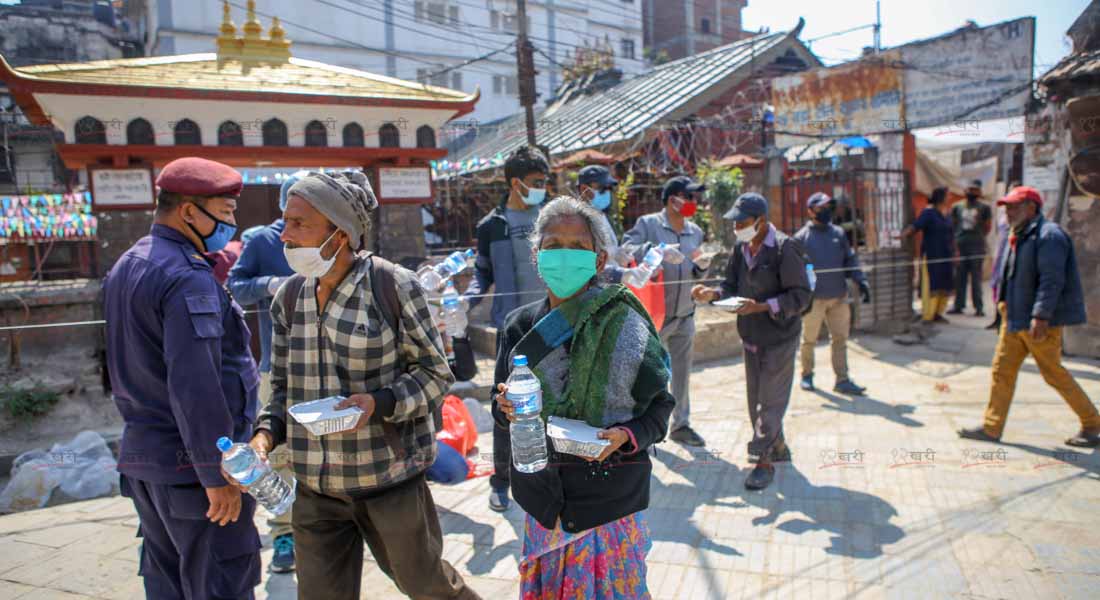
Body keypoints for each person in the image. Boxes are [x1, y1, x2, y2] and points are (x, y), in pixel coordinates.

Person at [248, 171, 479, 600]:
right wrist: (264, 437)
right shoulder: (289, 298)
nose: (286, 236)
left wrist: (379, 403)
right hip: (316, 487)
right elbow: (281, 386)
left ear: (339, 234)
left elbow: (434, 373)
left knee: (428, 587)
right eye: (285, 223)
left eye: (300, 224)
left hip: (388, 479)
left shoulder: (392, 285)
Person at [492, 196, 674, 599]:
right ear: (537, 256)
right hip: (543, 500)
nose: (564, 256)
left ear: (598, 259)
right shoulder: (519, 325)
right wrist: (505, 407)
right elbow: (500, 407)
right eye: (553, 246)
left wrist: (627, 435)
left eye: (577, 247)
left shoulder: (623, 319)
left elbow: (661, 407)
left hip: (611, 501)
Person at [103, 157, 261, 599]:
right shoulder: (186, 276)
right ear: (190, 211)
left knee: (170, 585)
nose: (232, 223)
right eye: (226, 213)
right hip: (192, 471)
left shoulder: (129, 263)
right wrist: (217, 475)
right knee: (220, 583)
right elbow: (197, 385)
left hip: (147, 459)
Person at [958, 186, 1100, 447]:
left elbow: (1051, 279)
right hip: (1013, 318)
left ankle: (1093, 424)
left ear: (1031, 208)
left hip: (1037, 322)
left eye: (1014, 207)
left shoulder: (1049, 235)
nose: (1008, 212)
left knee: (1053, 373)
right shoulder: (1020, 233)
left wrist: (1041, 315)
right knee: (1002, 371)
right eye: (1007, 207)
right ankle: (992, 427)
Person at [691, 193, 812, 490]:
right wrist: (713, 295)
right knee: (755, 398)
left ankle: (764, 461)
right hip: (751, 335)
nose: (737, 228)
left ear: (761, 221)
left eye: (742, 223)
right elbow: (731, 286)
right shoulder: (741, 248)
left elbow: (801, 296)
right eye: (735, 223)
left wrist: (761, 306)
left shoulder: (786, 248)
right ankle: (777, 445)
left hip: (780, 336)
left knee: (769, 401)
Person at [226, 170, 305, 573]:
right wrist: (269, 283)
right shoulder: (262, 240)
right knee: (278, 453)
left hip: (330, 363)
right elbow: (235, 285)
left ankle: (330, 527)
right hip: (278, 363)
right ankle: (284, 533)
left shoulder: (328, 240)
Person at [466, 145, 551, 513]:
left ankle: (550, 472)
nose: (542, 188)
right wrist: (462, 303)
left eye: (545, 182)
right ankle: (501, 481)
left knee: (554, 400)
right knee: (506, 406)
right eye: (536, 182)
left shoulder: (551, 218)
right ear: (516, 183)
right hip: (511, 330)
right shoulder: (492, 225)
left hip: (552, 323)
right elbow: (481, 274)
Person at [622, 175, 710, 447]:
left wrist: (703, 265)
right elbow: (624, 251)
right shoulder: (648, 224)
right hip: (653, 318)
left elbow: (696, 271)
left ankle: (681, 425)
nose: (695, 202)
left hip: (685, 315)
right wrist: (655, 249)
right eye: (690, 197)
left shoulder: (694, 231)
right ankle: (644, 427)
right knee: (649, 375)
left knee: (682, 375)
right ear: (673, 200)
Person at [794, 192, 871, 396]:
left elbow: (850, 259)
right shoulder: (802, 238)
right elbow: (794, 270)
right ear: (810, 211)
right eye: (821, 208)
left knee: (840, 339)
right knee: (809, 340)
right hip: (813, 301)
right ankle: (807, 375)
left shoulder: (838, 233)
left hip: (838, 297)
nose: (826, 211)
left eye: (829, 206)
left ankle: (842, 379)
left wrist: (860, 280)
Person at [901, 187, 955, 325]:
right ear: (941, 197)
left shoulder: (947, 214)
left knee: (944, 284)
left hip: (946, 255)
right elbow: (916, 226)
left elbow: (951, 234)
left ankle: (938, 313)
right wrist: (903, 234)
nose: (950, 197)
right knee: (931, 285)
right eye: (947, 195)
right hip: (932, 255)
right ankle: (927, 316)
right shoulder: (929, 213)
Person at [948, 179, 993, 317]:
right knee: (959, 278)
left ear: (979, 191)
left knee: (976, 278)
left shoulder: (985, 208)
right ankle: (958, 305)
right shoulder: (957, 207)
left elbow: (987, 227)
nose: (971, 192)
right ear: (965, 190)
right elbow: (953, 226)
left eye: (975, 189)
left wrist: (978, 238)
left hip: (977, 247)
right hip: (960, 246)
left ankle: (978, 307)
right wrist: (955, 246)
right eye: (969, 189)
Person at [576, 164, 627, 282]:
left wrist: (619, 253)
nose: (608, 193)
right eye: (603, 189)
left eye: (610, 189)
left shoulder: (602, 215)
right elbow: (583, 265)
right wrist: (620, 274)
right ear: (584, 189)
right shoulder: (578, 222)